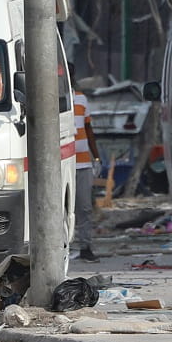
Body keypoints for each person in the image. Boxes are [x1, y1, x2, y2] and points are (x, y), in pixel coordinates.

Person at [72, 91, 100, 262]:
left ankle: (85, 247)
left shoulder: (81, 99)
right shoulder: (52, 98)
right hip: (60, 163)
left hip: (83, 162)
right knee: (60, 209)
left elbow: (88, 129)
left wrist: (96, 157)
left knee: (84, 208)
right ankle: (60, 248)